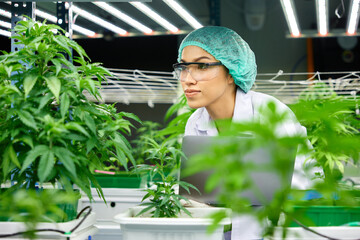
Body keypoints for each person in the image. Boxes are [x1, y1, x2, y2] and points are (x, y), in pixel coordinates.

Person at [173, 26, 313, 240]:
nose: (187, 79)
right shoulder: (196, 122)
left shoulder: (269, 113)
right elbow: (199, 191)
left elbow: (306, 184)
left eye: (201, 66)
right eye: (184, 67)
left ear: (231, 73)